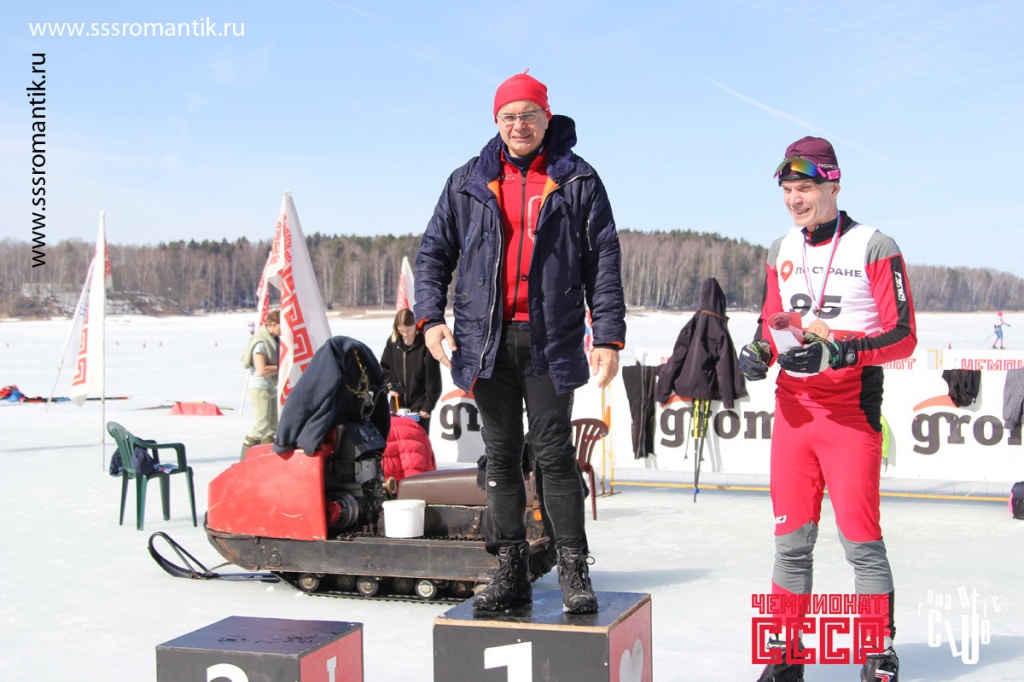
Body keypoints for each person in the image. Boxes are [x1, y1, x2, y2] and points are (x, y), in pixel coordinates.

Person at [414, 71, 626, 614]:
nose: (519, 125)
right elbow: (434, 252)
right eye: (509, 116)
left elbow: (603, 260)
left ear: (546, 118)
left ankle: (574, 567)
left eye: (529, 114)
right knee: (502, 456)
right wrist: (430, 317)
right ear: (497, 121)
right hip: (485, 341)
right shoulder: (467, 181)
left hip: (551, 339)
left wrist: (607, 335)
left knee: (554, 454)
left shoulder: (577, 179)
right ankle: (510, 568)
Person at [739, 137, 917, 682]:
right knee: (791, 543)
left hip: (849, 415)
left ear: (833, 186)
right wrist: (760, 351)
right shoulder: (781, 249)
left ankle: (877, 652)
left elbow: (903, 335)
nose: (795, 200)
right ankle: (785, 654)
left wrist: (839, 350)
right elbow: (772, 320)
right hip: (794, 414)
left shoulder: (874, 245)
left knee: (861, 542)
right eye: (787, 190)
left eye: (806, 188)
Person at [379, 308, 442, 434]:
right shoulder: (392, 343)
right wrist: (390, 387)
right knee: (396, 439)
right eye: (401, 330)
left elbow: (433, 378)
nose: (405, 334)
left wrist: (428, 406)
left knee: (417, 440)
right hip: (397, 404)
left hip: (419, 406)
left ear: (415, 326)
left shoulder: (425, 345)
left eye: (408, 330)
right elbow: (385, 369)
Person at [242, 310, 281, 449]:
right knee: (261, 425)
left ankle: (266, 452)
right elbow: (262, 370)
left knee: (272, 427)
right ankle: (245, 452)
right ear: (273, 324)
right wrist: (283, 367)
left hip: (272, 386)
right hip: (260, 387)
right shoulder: (261, 343)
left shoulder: (275, 341)